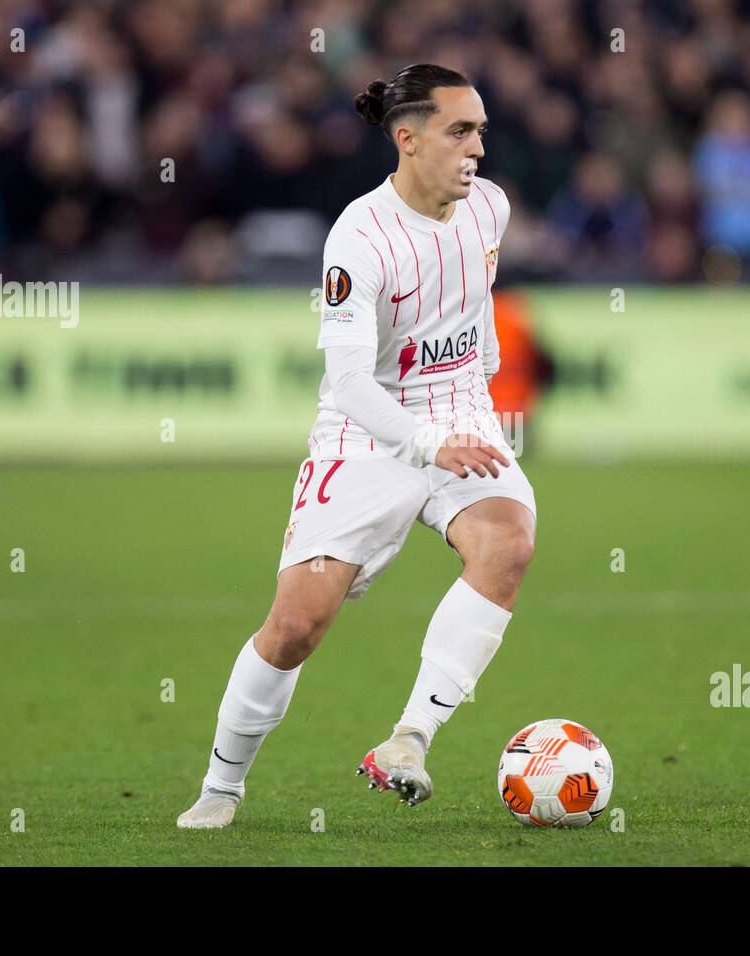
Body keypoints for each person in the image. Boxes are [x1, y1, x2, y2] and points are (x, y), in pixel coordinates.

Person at [177, 64, 537, 828]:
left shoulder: (490, 209)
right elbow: (350, 381)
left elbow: (469, 307)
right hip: (367, 431)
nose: (477, 147)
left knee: (506, 544)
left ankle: (409, 739)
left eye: (481, 130)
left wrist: (470, 399)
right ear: (407, 140)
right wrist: (426, 442)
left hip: (460, 418)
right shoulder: (359, 237)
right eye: (459, 131)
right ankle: (222, 784)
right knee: (296, 627)